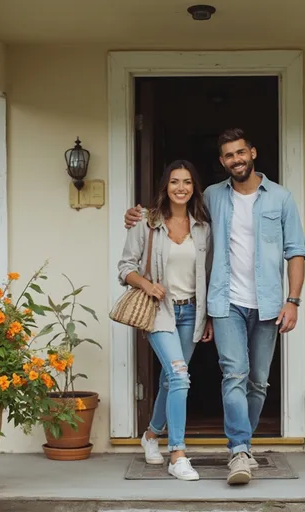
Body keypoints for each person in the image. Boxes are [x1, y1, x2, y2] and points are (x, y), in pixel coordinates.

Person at [125, 129, 305, 486]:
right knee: (230, 375)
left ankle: (169, 435)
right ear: (222, 162)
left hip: (267, 305)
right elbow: (166, 215)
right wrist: (137, 215)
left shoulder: (281, 199)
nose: (236, 160)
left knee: (258, 382)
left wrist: (293, 300)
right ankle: (235, 449)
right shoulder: (212, 196)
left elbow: (296, 251)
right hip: (223, 303)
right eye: (228, 155)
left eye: (241, 153)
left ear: (252, 153)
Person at [118, 159, 213, 481]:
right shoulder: (146, 222)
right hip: (160, 311)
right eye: (175, 181)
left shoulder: (202, 227)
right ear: (165, 186)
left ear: (194, 187)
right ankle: (178, 454)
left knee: (171, 379)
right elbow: (125, 267)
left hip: (191, 313)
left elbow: (209, 275)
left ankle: (150, 435)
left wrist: (209, 317)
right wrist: (147, 284)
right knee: (181, 377)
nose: (181, 187)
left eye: (187, 181)